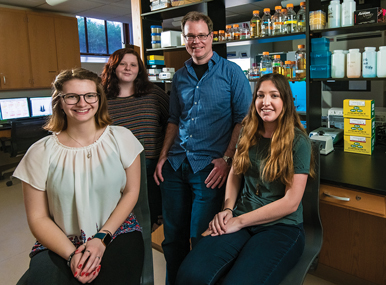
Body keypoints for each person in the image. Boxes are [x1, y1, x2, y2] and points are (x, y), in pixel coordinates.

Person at [176, 73, 315, 285]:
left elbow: (291, 202)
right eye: (260, 95)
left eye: (274, 96)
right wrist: (227, 209)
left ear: (285, 102)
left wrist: (238, 222)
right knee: (190, 274)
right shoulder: (248, 132)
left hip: (281, 228)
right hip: (240, 216)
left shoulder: (298, 142)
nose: (265, 102)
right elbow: (235, 173)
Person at [14, 68, 144, 285]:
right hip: (59, 239)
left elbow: (131, 192)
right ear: (60, 102)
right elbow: (38, 218)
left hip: (116, 232)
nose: (82, 103)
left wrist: (101, 238)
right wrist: (72, 254)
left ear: (99, 99)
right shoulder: (39, 153)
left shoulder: (123, 138)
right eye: (72, 96)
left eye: (89, 95)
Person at [153, 11, 252, 285]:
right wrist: (163, 157)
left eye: (201, 35)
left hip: (208, 169)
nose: (195, 41)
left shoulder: (231, 73)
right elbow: (174, 120)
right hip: (175, 166)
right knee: (172, 238)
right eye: (190, 36)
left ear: (211, 37)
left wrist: (226, 159)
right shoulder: (179, 76)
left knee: (201, 237)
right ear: (184, 39)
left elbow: (243, 121)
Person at [101, 48, 169, 231]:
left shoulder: (153, 94)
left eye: (133, 64)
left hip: (153, 168)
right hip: (119, 170)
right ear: (113, 68)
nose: (127, 68)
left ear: (139, 69)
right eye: (122, 64)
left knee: (154, 219)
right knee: (127, 219)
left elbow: (171, 122)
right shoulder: (102, 99)